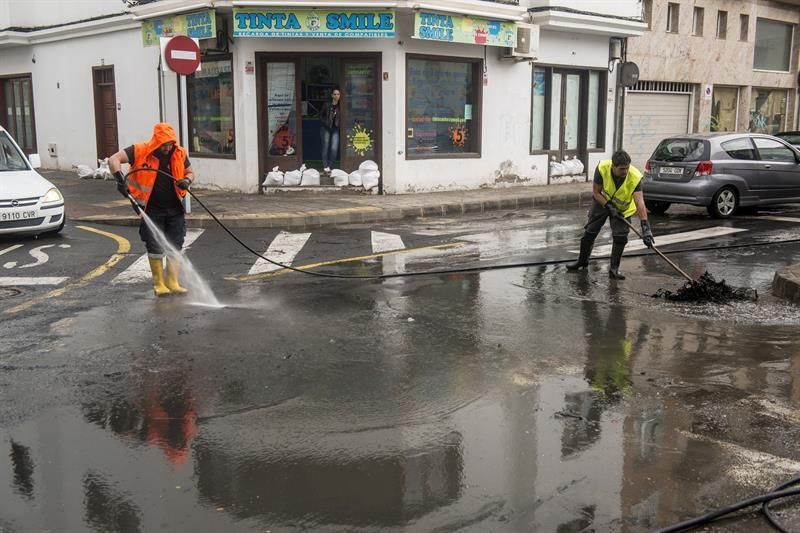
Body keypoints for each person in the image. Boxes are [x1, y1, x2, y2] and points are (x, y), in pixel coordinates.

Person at [108, 123, 195, 296]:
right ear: (156, 141)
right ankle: (159, 284)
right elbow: (113, 160)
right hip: (150, 209)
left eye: (170, 143)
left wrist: (187, 181)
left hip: (175, 208)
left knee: (176, 245)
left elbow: (190, 172)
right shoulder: (139, 150)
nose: (168, 147)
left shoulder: (179, 153)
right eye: (164, 144)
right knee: (155, 246)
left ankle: (172, 282)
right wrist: (120, 180)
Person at [566, 150, 654, 280]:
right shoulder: (602, 168)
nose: (625, 171)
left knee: (620, 237)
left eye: (627, 168)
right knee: (590, 232)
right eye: (622, 169)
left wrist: (645, 226)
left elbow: (639, 201)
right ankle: (582, 261)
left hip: (623, 209)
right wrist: (609, 206)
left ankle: (614, 269)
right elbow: (596, 192)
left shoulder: (635, 177)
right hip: (602, 201)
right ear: (613, 166)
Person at [319, 87, 341, 174]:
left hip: (335, 128)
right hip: (326, 128)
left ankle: (330, 166)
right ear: (332, 95)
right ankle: (325, 166)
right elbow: (320, 116)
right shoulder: (327, 104)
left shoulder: (341, 106)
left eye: (338, 94)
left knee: (334, 148)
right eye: (335, 94)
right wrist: (326, 124)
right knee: (325, 147)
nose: (336, 96)